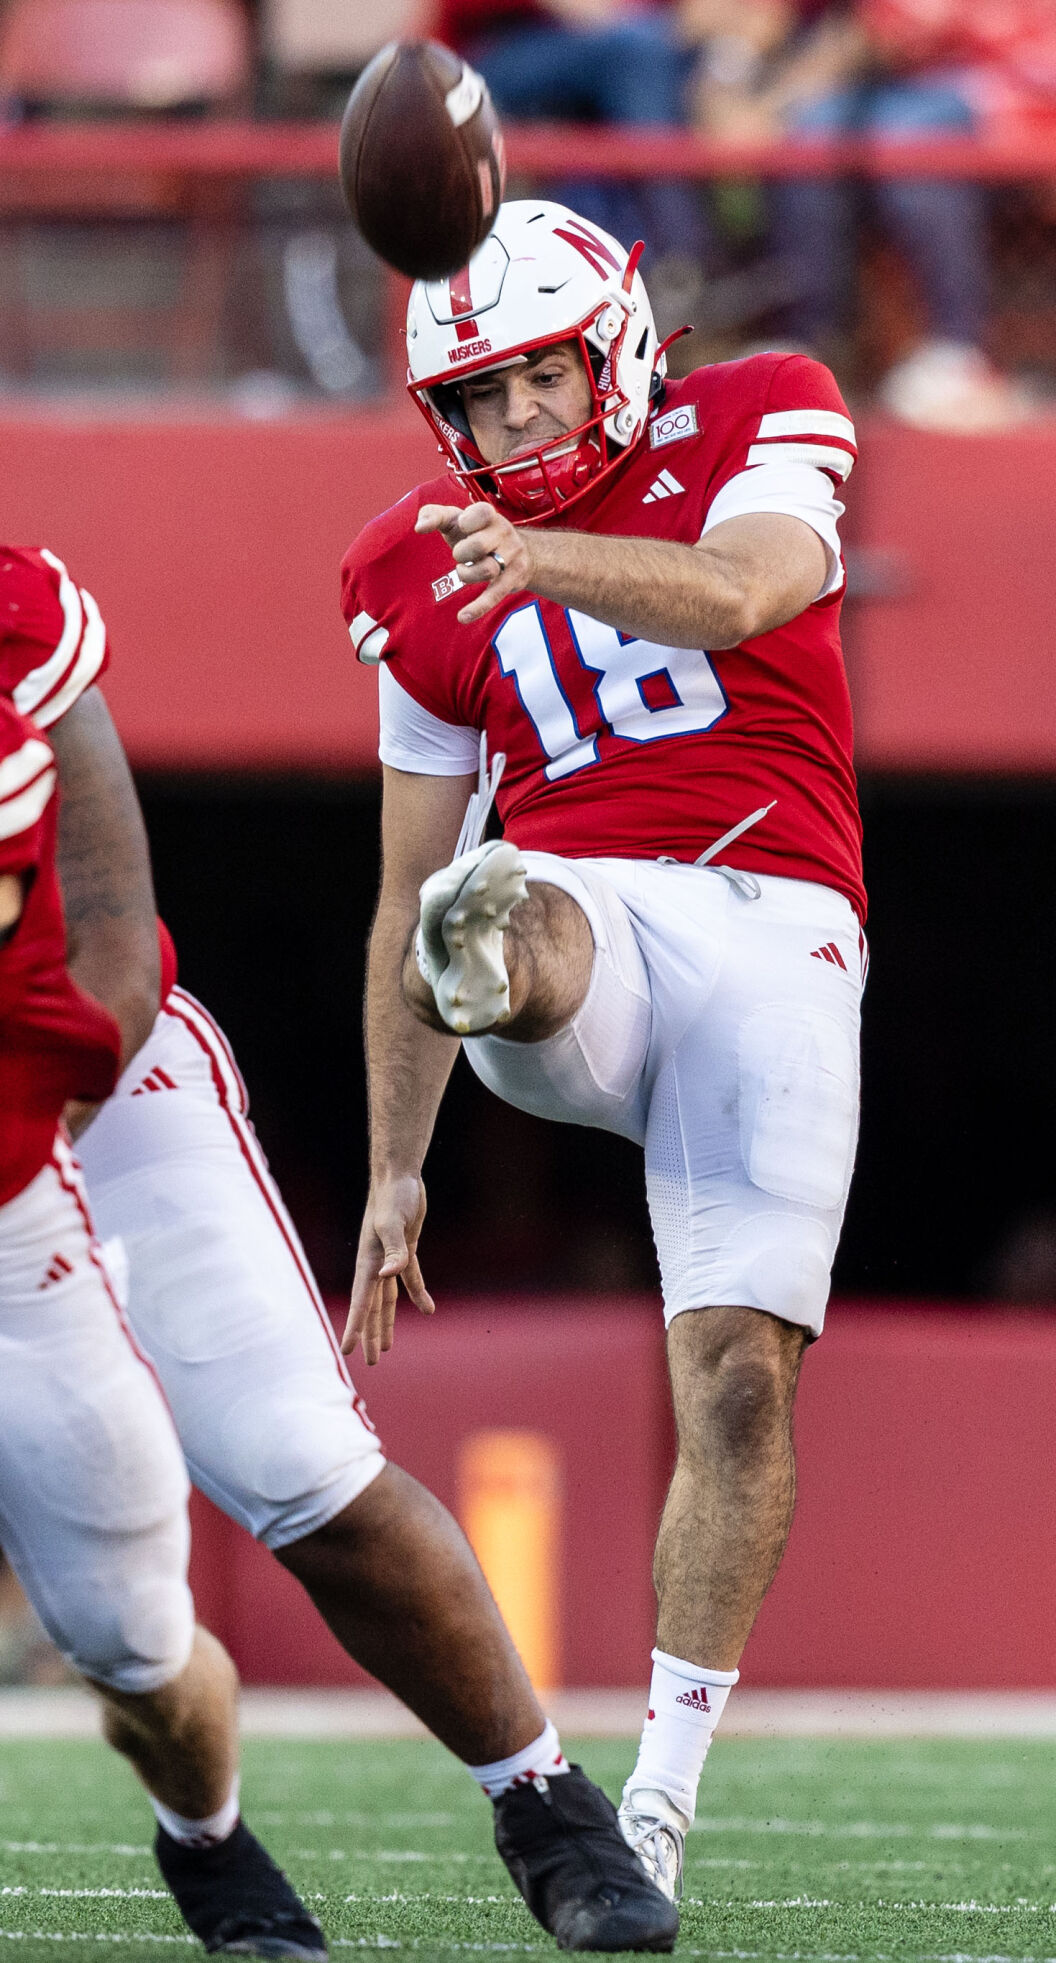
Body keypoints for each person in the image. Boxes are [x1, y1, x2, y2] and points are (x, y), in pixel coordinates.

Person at [0, 543, 673, 1956]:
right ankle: (209, 1833)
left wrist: (36, 1125)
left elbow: (114, 931)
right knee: (121, 1633)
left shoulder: (19, 612)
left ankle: (548, 1803)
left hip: (89, 1091)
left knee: (302, 1463)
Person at [342, 198, 867, 1903]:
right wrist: (391, 1168)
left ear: (621, 348)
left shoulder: (762, 406)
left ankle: (655, 1797)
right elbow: (397, 880)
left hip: (777, 922)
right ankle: (502, 967)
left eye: (539, 385)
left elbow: (739, 592)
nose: (512, 432)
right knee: (496, 902)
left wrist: (536, 553)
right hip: (588, 921)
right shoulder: (411, 564)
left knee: (735, 1379)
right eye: (478, 406)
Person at [0, 691, 326, 1959]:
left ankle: (207, 1831)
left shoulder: (29, 652)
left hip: (13, 1213)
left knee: (136, 1646)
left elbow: (110, 966)